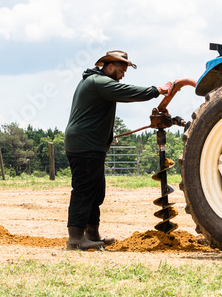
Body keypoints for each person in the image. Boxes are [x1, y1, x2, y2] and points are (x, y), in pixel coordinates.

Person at [64, 50, 172, 250]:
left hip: (90, 144)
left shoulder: (96, 83)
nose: (123, 74)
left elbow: (95, 114)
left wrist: (107, 135)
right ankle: (75, 239)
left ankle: (92, 235)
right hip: (85, 145)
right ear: (110, 66)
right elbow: (128, 92)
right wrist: (157, 90)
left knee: (96, 192)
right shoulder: (99, 82)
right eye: (122, 70)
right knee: (84, 191)